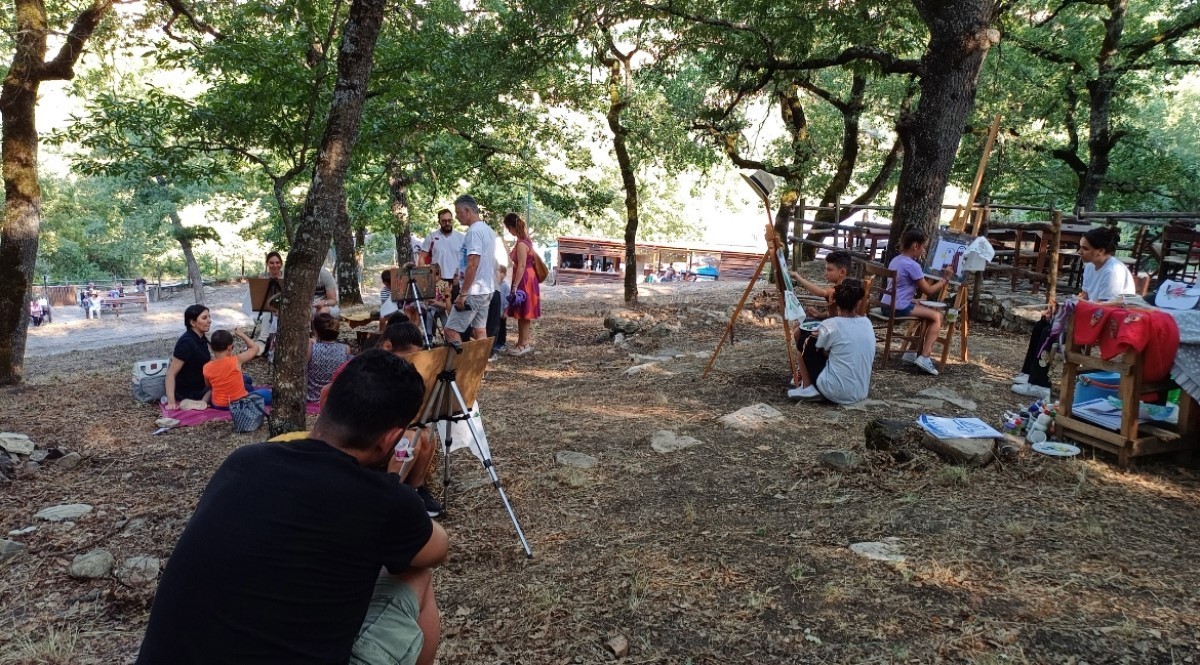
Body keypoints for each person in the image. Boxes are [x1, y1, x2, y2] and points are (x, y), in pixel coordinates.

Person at [136, 350, 449, 665]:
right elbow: (437, 549)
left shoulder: (244, 462)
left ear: (324, 399)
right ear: (391, 439)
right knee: (416, 574)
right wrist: (395, 482)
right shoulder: (384, 502)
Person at [1012, 226, 1137, 399]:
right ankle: (1029, 373)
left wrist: (1071, 310)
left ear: (1100, 251)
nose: (1079, 252)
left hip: (1108, 321)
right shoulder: (1091, 266)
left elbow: (1106, 306)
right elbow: (1085, 295)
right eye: (1080, 247)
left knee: (1052, 330)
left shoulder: (1113, 271)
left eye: (1085, 248)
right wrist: (1062, 308)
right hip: (1092, 314)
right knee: (1044, 322)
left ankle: (1039, 384)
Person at [376, 321, 444, 518]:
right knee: (407, 442)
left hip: (393, 425)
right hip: (367, 430)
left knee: (427, 435)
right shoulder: (368, 366)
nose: (410, 362)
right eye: (408, 357)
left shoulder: (396, 367)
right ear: (388, 347)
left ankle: (415, 490)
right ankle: (390, 497)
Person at [787, 280, 876, 403]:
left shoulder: (832, 324)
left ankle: (807, 387)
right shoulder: (867, 323)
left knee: (804, 341)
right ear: (858, 303)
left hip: (835, 392)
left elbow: (826, 353)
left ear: (837, 303)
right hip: (860, 392)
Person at [881, 228, 954, 376]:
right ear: (916, 246)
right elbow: (929, 291)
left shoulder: (896, 260)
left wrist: (914, 300)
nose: (924, 251)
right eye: (924, 247)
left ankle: (911, 352)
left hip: (885, 304)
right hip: (898, 307)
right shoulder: (912, 265)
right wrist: (945, 279)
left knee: (924, 309)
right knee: (937, 317)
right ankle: (925, 356)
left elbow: (899, 288)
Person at [445, 195, 497, 346]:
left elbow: (473, 263)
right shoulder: (488, 230)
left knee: (450, 331)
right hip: (486, 289)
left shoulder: (474, 232)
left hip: (473, 292)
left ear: (467, 211)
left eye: (458, 212)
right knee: (480, 331)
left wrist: (463, 293)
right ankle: (479, 368)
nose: (456, 217)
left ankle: (459, 368)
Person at [788, 250, 852, 368]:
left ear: (842, 272)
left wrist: (798, 277)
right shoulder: (838, 287)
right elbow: (836, 315)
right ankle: (804, 365)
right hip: (833, 325)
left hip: (838, 331)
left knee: (798, 332)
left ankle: (805, 367)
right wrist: (820, 315)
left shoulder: (840, 290)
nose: (825, 273)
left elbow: (820, 292)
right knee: (797, 324)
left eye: (829, 270)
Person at [502, 212, 541, 355]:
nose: (508, 231)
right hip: (529, 278)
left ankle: (523, 344)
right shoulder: (526, 240)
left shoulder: (521, 244)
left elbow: (522, 266)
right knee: (524, 312)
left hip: (524, 279)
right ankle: (522, 342)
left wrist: (514, 286)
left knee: (524, 312)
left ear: (511, 227)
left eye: (508, 228)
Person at [204, 329, 271, 408]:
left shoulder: (206, 367)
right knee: (268, 394)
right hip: (238, 404)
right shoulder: (236, 360)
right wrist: (242, 334)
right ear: (230, 347)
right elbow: (255, 348)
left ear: (211, 347)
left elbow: (208, 386)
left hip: (218, 405)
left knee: (247, 379)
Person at [164, 304, 212, 410]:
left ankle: (203, 402)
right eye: (204, 318)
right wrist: (171, 402)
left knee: (245, 379)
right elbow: (171, 373)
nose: (209, 320)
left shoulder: (201, 338)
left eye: (209, 317)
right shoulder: (186, 343)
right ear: (192, 322)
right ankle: (201, 403)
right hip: (189, 391)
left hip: (201, 384)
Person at [307, 312, 352, 403]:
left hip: (312, 396)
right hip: (334, 397)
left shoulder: (311, 346)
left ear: (316, 330)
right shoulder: (345, 349)